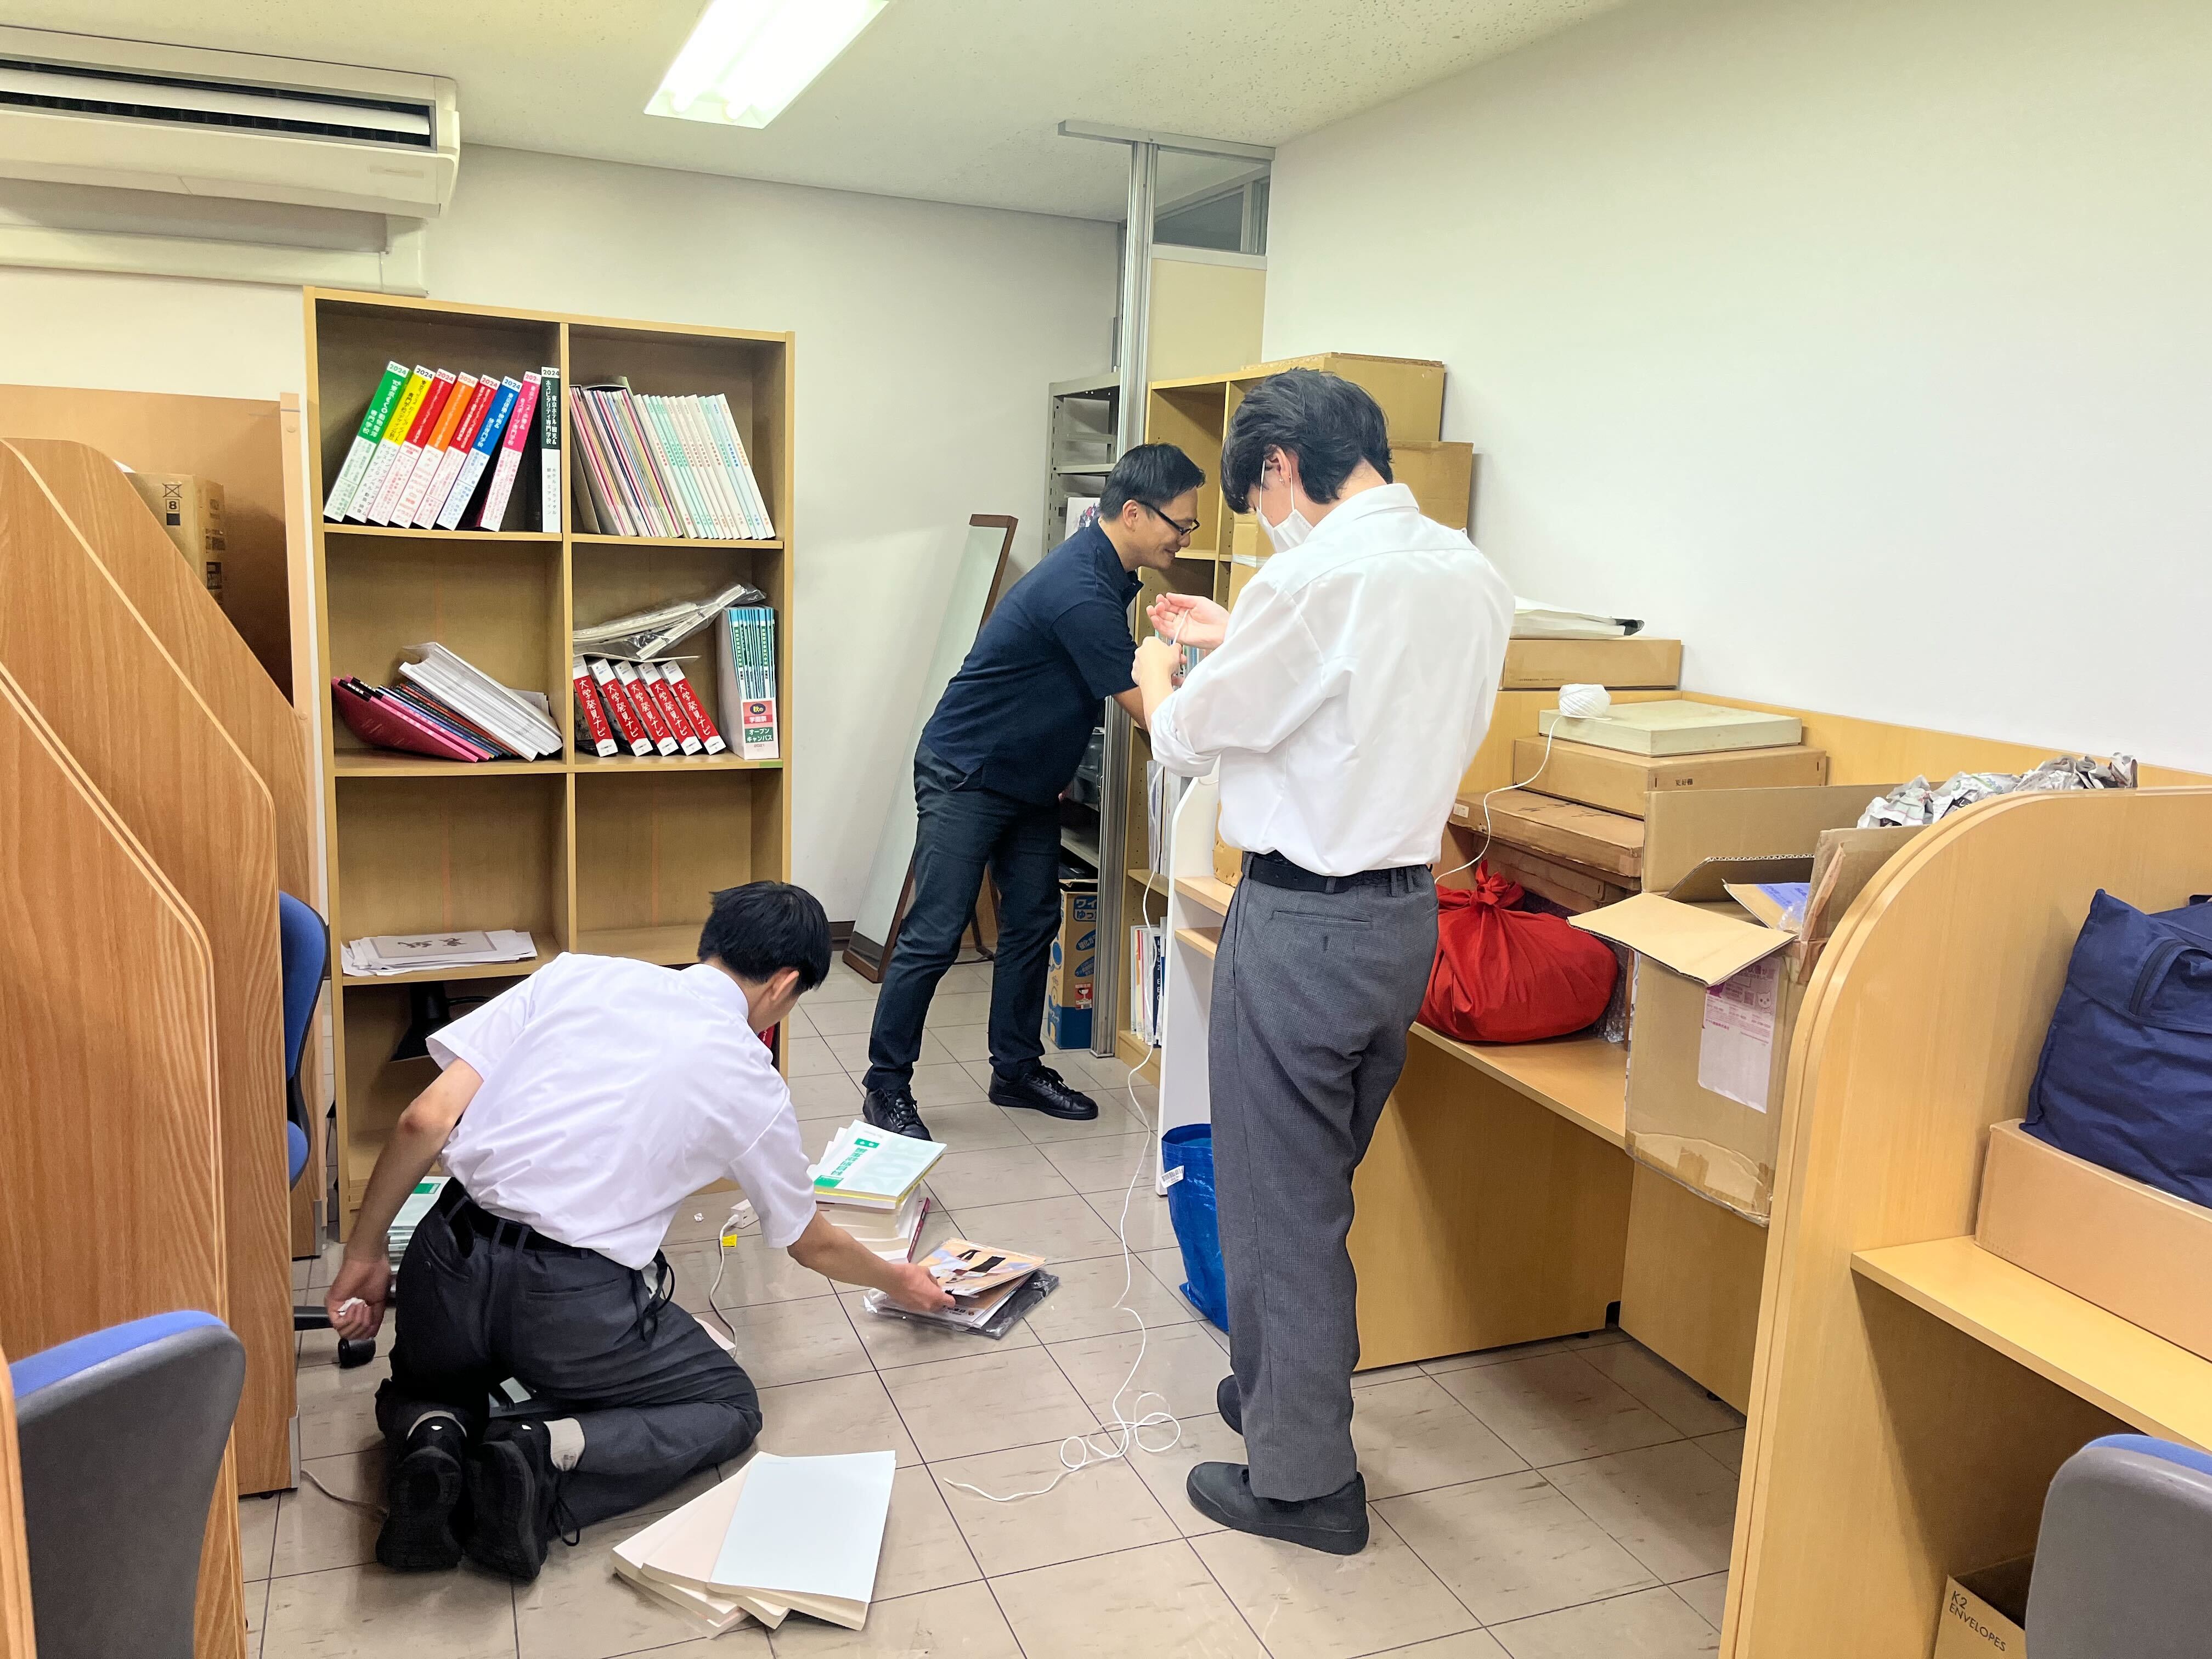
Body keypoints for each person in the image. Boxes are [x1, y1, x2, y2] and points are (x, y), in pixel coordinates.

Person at [1133, 370, 1513, 1555]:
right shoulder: (1469, 572)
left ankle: (1305, 1486)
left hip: (1302, 924)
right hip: (1402, 917)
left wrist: (1160, 678)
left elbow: (1194, 738)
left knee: (1276, 1205)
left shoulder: (1308, 580)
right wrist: (1239, 637)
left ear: (1282, 465)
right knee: (1312, 1184)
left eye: (1257, 496)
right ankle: (1282, 1391)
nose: (1264, 520)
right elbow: (1362, 693)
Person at [323, 882, 952, 1583]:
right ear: (784, 984)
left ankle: (433, 1436)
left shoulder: (575, 975)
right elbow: (808, 1241)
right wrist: (901, 1280)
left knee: (428, 1381)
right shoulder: (754, 1081)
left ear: (711, 944)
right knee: (729, 1406)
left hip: (447, 1256)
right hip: (569, 1304)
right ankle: (541, 1454)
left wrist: (366, 1253)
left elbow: (425, 1120)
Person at [859, 442, 1209, 1140]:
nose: (1184, 537)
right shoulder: (1080, 589)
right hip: (968, 771)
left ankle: (1015, 1069)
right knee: (934, 933)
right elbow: (1149, 711)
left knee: (1033, 922)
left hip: (1027, 780)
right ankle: (885, 1086)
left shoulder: (1105, 572)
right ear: (1134, 514)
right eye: (1181, 523)